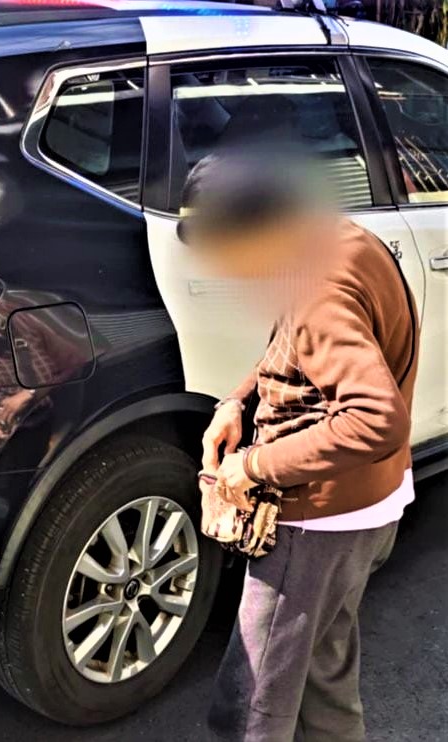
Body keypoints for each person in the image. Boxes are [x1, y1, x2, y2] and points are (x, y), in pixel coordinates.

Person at [182, 148, 418, 741]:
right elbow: (293, 345)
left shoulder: (318, 291)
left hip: (317, 523)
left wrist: (252, 466)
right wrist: (236, 401)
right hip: (367, 510)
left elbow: (376, 418)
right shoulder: (332, 240)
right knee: (322, 678)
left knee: (251, 703)